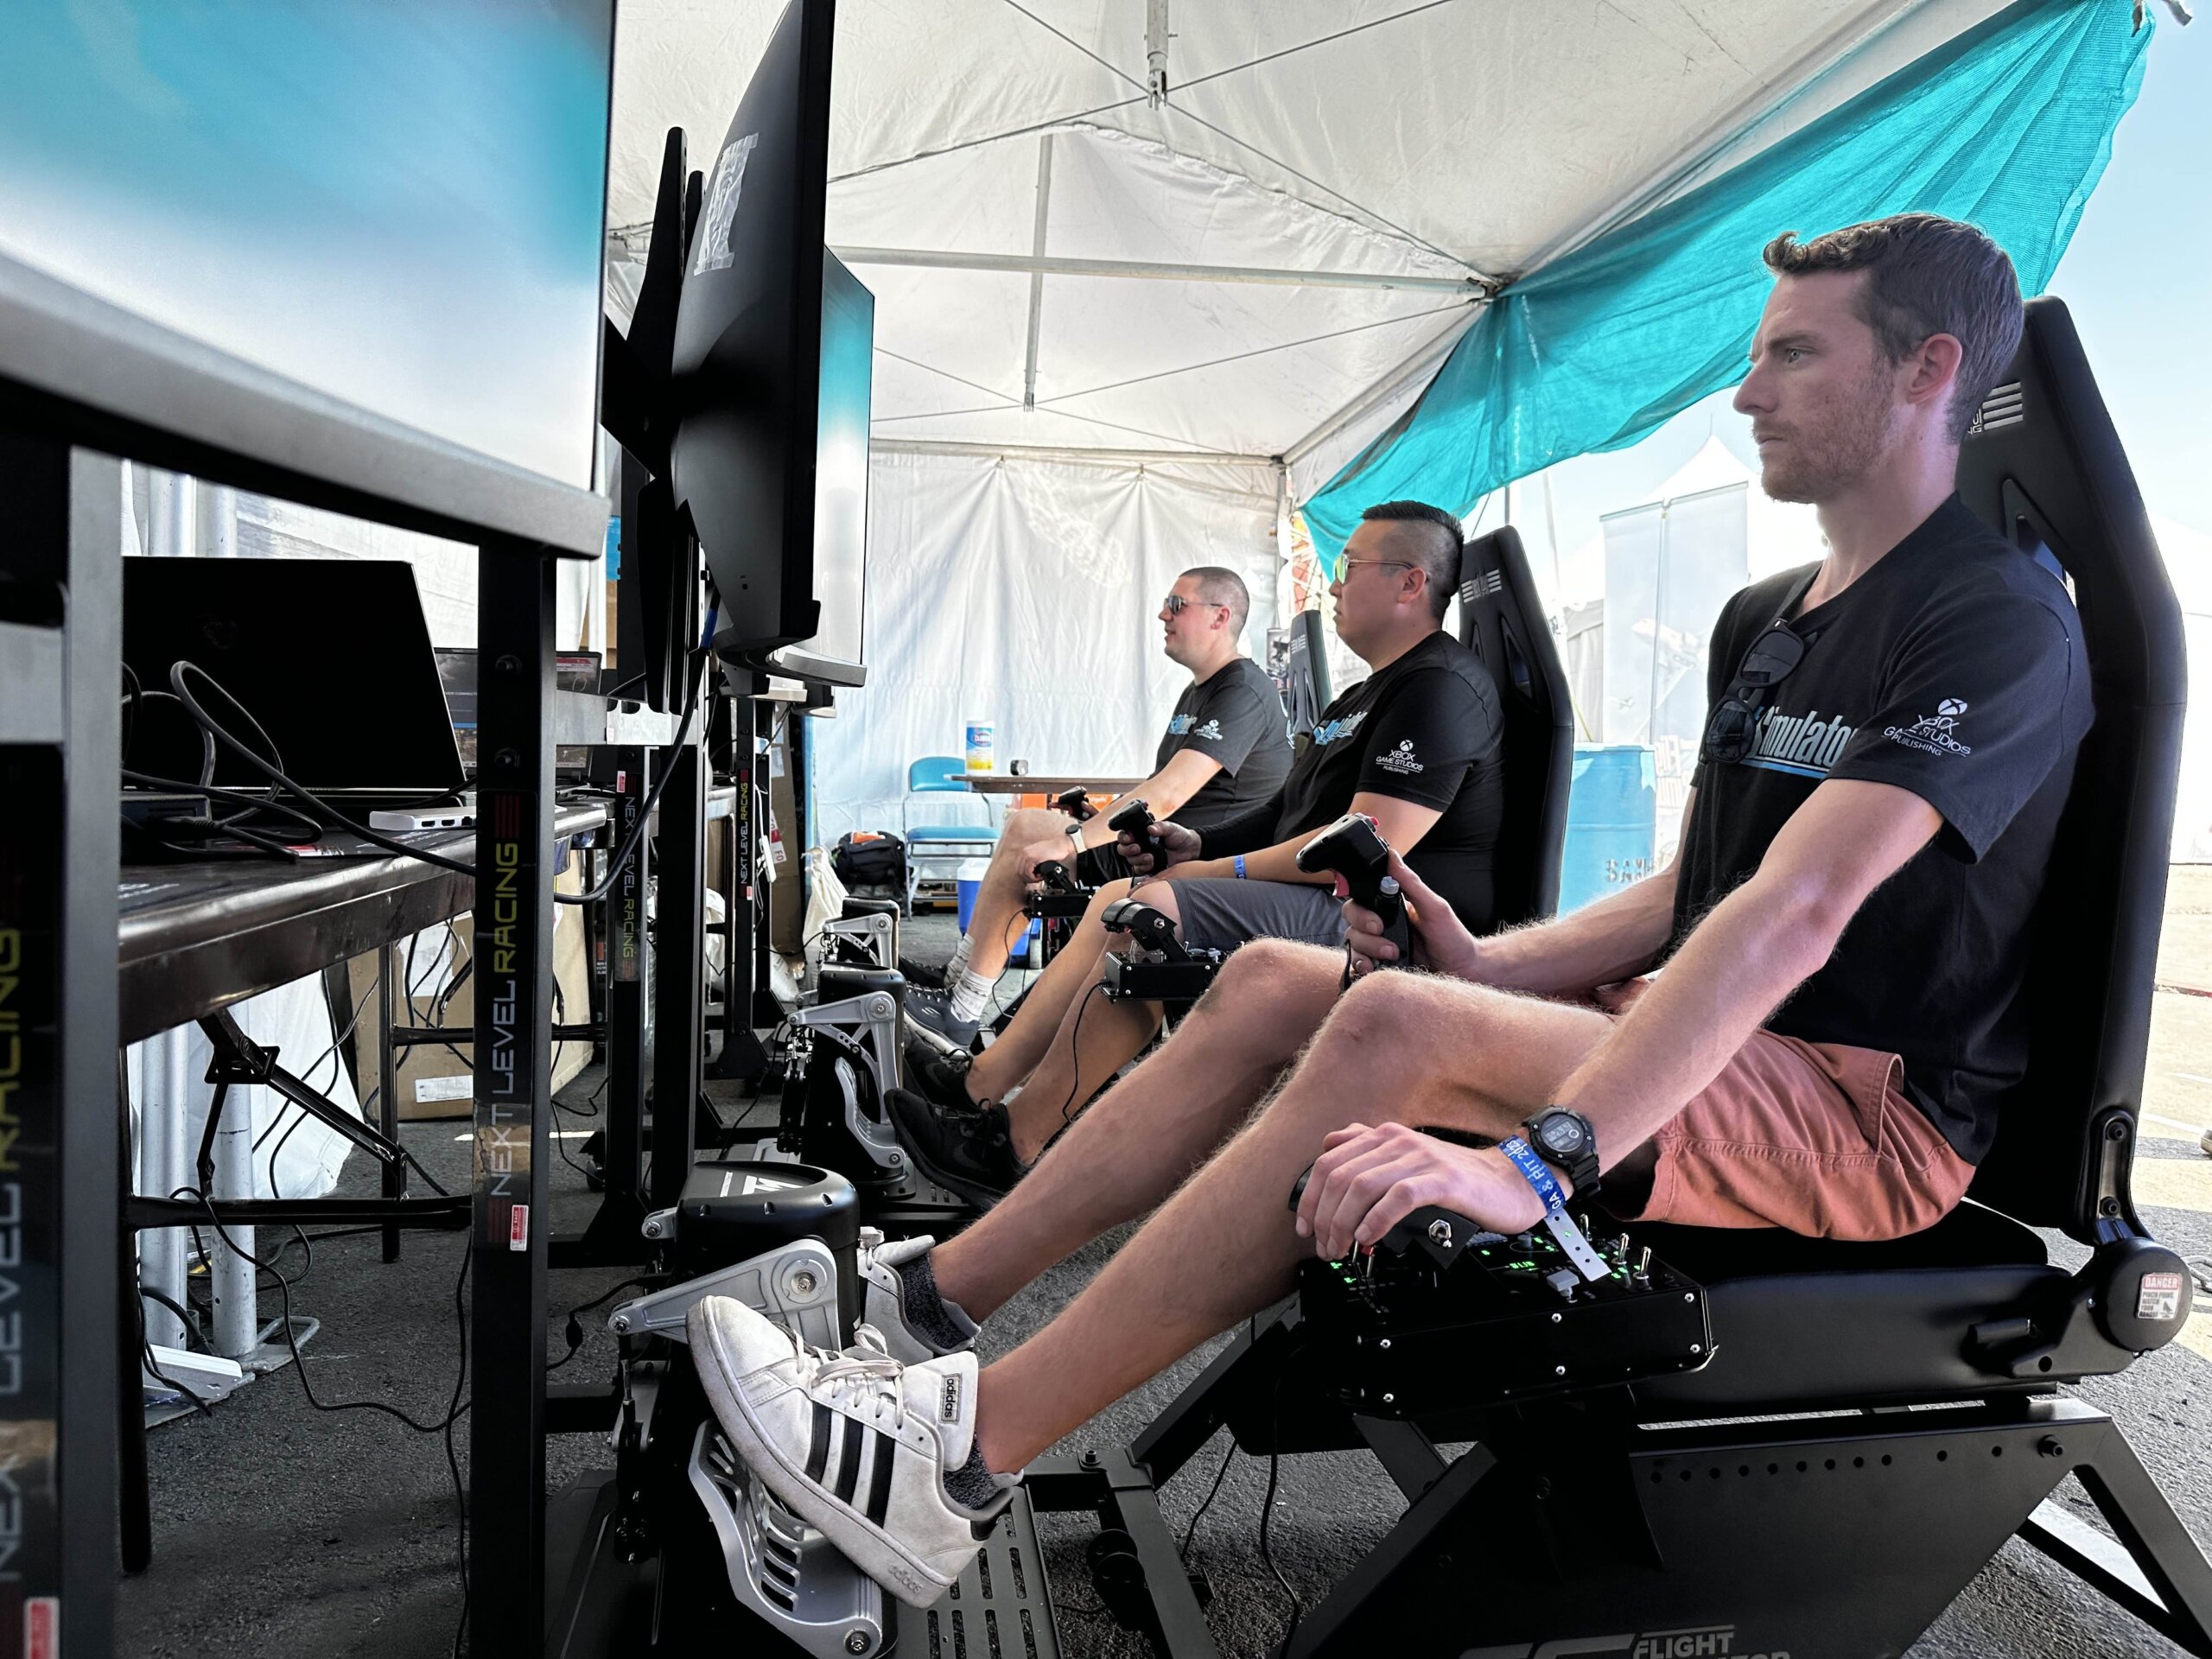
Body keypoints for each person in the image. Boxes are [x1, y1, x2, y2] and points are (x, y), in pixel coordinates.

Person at [689, 212, 2093, 1608]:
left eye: (1797, 355)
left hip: (1863, 1117)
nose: (1746, 391)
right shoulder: (1774, 618)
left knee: (1399, 1023)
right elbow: (1693, 889)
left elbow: (1796, 907)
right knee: (1274, 989)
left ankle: (953, 1466)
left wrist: (1539, 1162)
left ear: (1925, 372)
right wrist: (1499, 968)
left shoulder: (1996, 619)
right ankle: (923, 1307)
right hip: (1698, 1034)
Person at [893, 499, 1506, 1205]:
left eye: (1348, 567)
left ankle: (1009, 1144)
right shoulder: (1367, 694)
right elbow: (1287, 811)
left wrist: (1216, 869)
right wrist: (1201, 842)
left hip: (1381, 923)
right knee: (1120, 900)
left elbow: (1367, 845)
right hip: (1328, 900)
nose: (1334, 586)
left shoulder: (1441, 689)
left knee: (1150, 912)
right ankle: (981, 1085)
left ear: (1409, 583)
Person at [905, 564, 1291, 1048]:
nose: (1161, 615)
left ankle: (961, 1010)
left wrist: (1076, 841)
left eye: (1176, 605)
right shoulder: (1199, 690)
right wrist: (1095, 820)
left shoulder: (1244, 690)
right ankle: (959, 978)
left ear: (1220, 617)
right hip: (1156, 844)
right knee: (1024, 825)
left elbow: (1171, 791)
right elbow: (1160, 787)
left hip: (1194, 857)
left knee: (1031, 830)